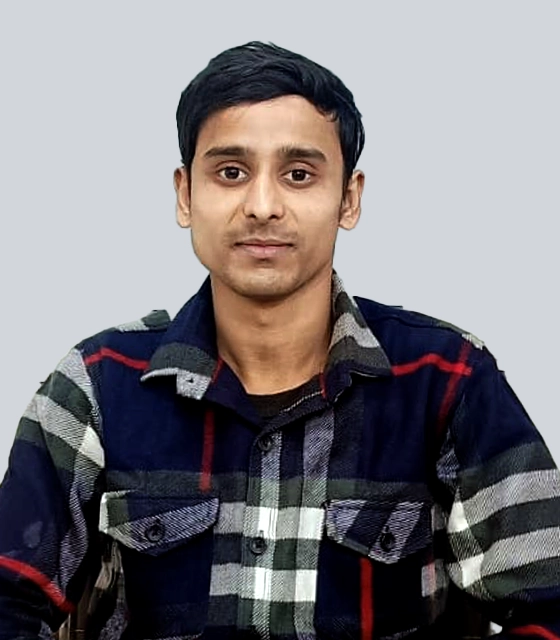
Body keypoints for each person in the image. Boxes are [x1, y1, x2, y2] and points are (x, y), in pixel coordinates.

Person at [0, 41, 559, 640]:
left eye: (298, 175)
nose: (263, 206)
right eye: (231, 172)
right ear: (186, 195)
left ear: (348, 199)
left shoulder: (446, 380)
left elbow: (550, 603)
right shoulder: (98, 383)